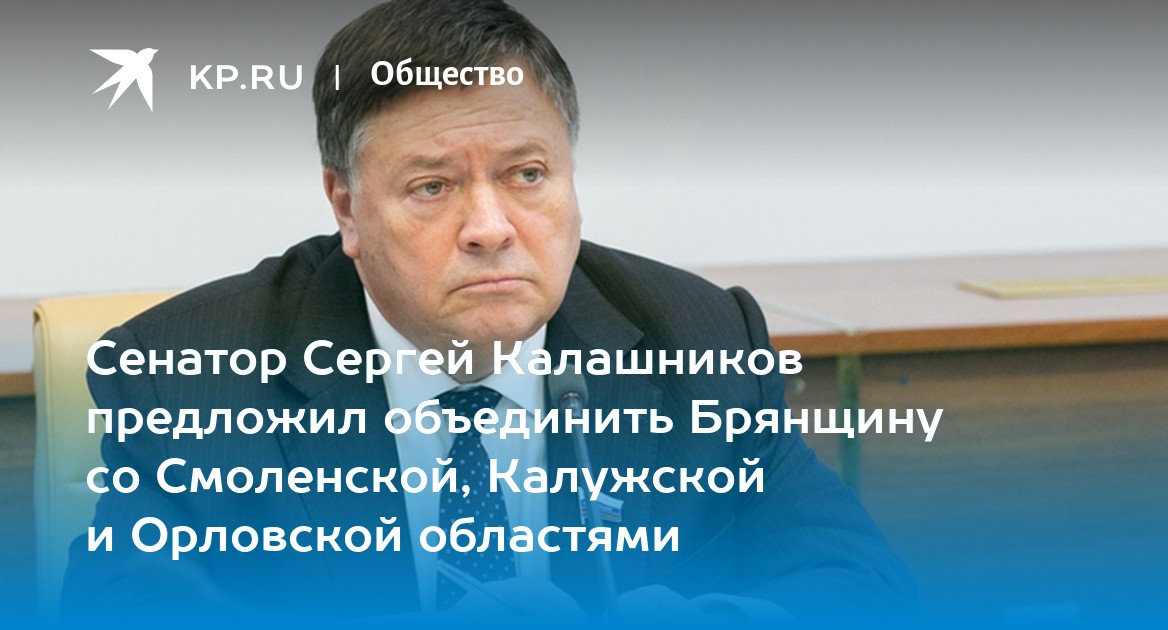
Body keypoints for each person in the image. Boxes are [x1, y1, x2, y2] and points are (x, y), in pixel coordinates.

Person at [63, 0, 914, 620]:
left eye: (526, 175)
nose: (490, 228)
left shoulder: (699, 340)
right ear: (348, 208)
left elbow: (865, 588)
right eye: (432, 187)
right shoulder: (190, 374)